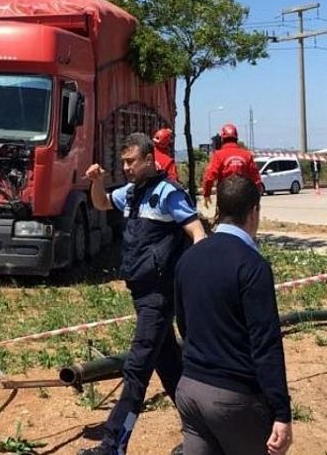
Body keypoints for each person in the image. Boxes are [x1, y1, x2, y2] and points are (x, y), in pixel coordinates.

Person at [80, 132, 206, 455]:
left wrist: (200, 276)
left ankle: (113, 446)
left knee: (136, 371)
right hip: (142, 296)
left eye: (131, 161)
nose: (126, 168)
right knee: (172, 370)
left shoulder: (167, 193)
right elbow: (102, 202)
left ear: (149, 160)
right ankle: (206, 437)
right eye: (123, 162)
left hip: (159, 298)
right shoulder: (132, 194)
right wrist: (96, 181)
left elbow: (197, 233)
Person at [174, 175, 292, 455]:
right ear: (254, 212)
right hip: (233, 398)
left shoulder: (189, 258)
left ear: (219, 209)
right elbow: (265, 344)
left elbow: (184, 325)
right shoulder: (252, 266)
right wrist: (281, 412)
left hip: (190, 389)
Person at [202, 123, 262, 208]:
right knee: (243, 220)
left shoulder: (218, 155)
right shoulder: (246, 155)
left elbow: (209, 177)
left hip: (225, 196)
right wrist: (256, 199)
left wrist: (207, 194)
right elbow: (256, 179)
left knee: (225, 219)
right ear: (236, 138)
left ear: (222, 139)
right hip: (243, 196)